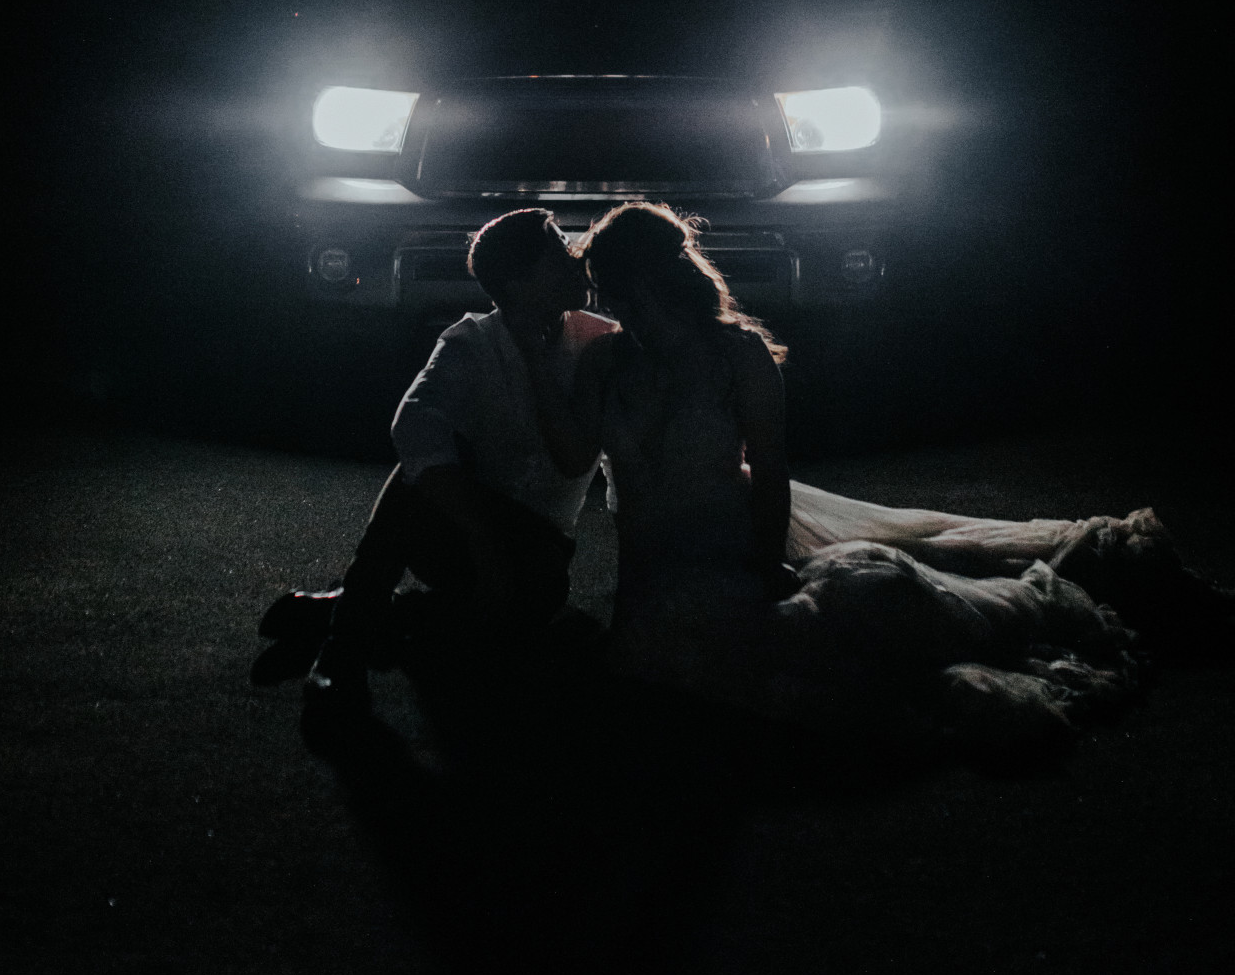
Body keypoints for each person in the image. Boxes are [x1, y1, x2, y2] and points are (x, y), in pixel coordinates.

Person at [512, 202, 1201, 754]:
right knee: (675, 663)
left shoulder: (736, 355)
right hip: (651, 581)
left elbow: (772, 469)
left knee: (865, 634)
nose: (600, 297)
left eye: (609, 283)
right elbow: (575, 458)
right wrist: (543, 366)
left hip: (728, 551)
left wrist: (763, 566)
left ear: (644, 281)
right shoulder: (603, 362)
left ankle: (1114, 591)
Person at [259, 208, 617, 729]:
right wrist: (483, 544)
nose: (577, 257)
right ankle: (344, 647)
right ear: (519, 284)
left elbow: (581, 457)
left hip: (539, 549)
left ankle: (351, 612)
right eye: (560, 250)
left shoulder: (598, 340)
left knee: (501, 614)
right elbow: (413, 428)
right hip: (460, 535)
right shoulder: (472, 342)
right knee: (415, 477)